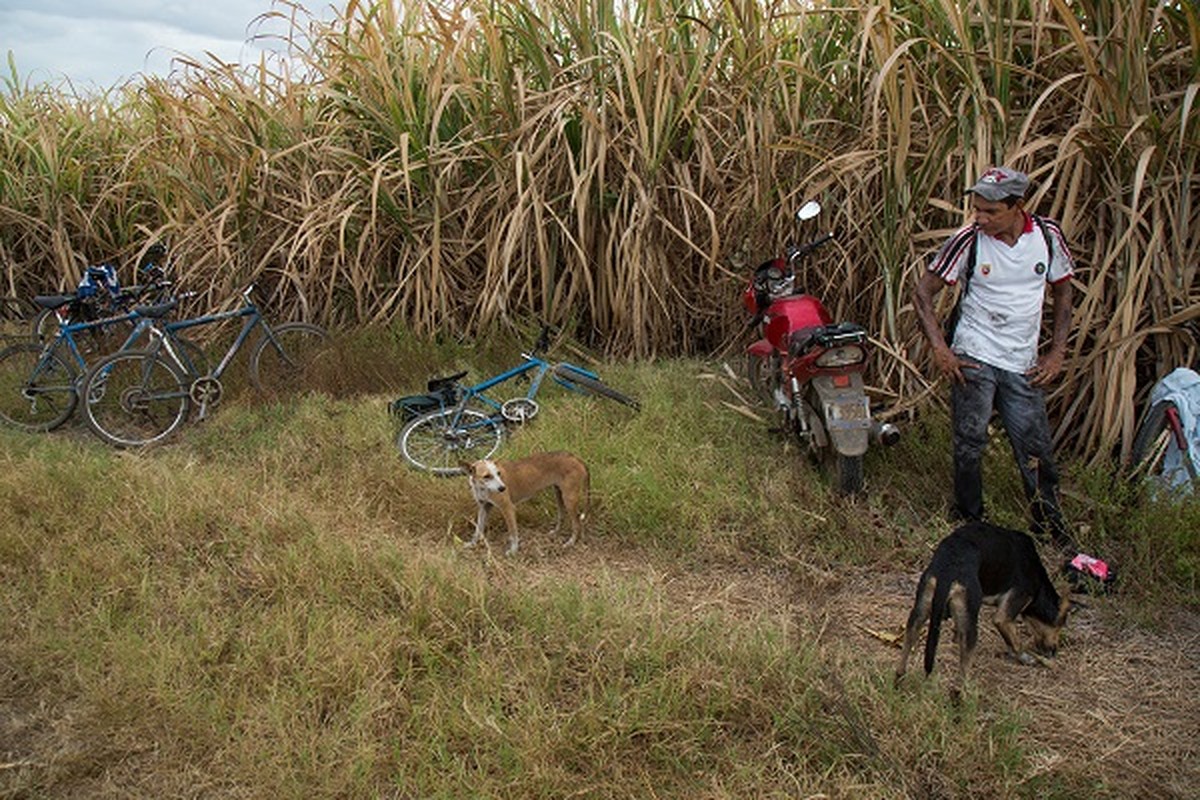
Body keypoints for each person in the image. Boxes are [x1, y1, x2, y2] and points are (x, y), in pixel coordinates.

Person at [913, 166, 1076, 551]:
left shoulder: (1048, 238)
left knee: (1035, 449)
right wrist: (941, 348)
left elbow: (1064, 295)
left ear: (1017, 206)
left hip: (1022, 360)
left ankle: (1049, 526)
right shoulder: (969, 240)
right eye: (976, 210)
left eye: (990, 211)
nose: (980, 218)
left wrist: (1056, 353)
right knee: (970, 442)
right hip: (976, 353)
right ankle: (969, 519)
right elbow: (923, 293)